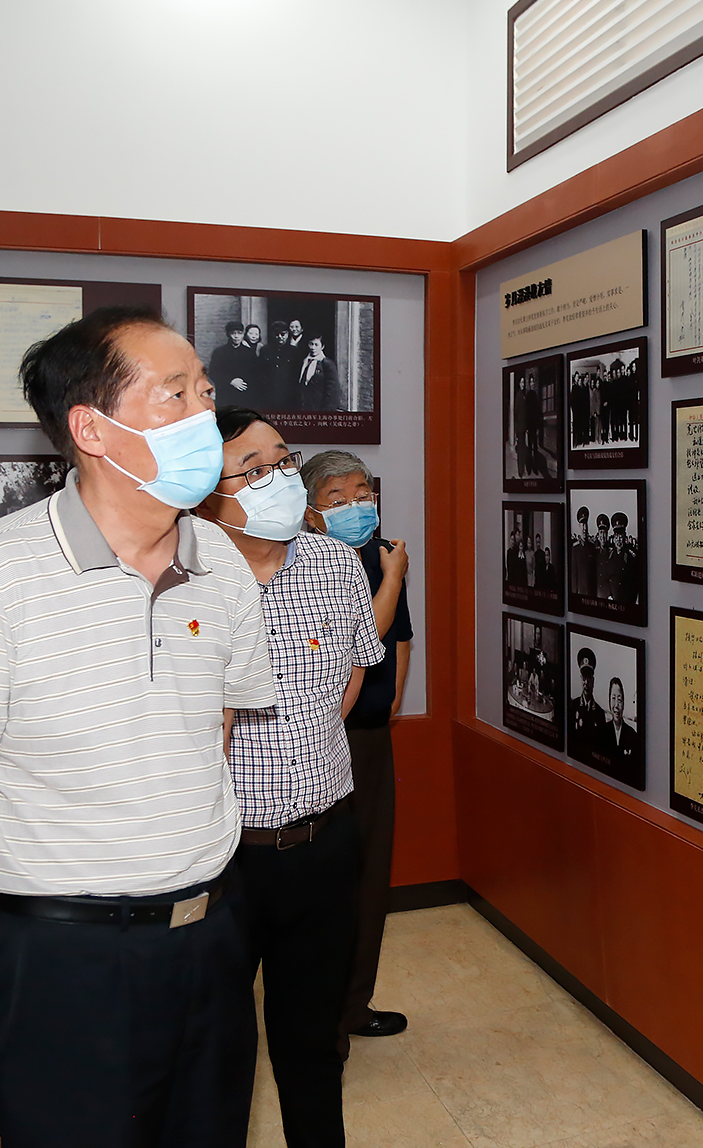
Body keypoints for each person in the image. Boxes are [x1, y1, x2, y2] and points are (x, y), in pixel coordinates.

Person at [0, 306, 279, 1147]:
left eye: (205, 392)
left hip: (211, 940)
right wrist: (25, 950)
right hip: (64, 958)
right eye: (175, 394)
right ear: (92, 429)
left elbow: (213, 734)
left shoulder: (219, 560)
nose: (204, 414)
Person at [195, 409, 383, 1147]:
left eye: (282, 460)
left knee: (312, 1043)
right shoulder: (182, 578)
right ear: (207, 490)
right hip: (219, 861)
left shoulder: (334, 565)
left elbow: (351, 676)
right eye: (253, 469)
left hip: (322, 844)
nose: (277, 479)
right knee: (213, 1050)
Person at [300, 450, 415, 1053]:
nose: (355, 506)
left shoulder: (383, 552)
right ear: (311, 512)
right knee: (321, 882)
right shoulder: (302, 563)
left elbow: (400, 641)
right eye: (337, 498)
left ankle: (352, 1005)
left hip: (368, 737)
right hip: (315, 741)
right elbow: (363, 635)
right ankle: (316, 1013)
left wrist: (389, 703)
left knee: (370, 874)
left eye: (362, 494)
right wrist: (392, 579)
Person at [568, 647, 605, 758]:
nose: (586, 683)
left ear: (593, 681)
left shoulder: (599, 713)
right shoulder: (573, 706)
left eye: (589, 678)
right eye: (584, 678)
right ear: (581, 679)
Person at [209, 320, 254, 397]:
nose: (236, 336)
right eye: (233, 333)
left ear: (243, 334)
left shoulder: (249, 352)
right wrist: (230, 381)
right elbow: (213, 372)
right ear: (228, 334)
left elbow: (254, 373)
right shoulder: (219, 352)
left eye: (239, 333)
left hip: (244, 395)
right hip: (226, 395)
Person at [298, 335, 341, 411]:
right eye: (311, 344)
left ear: (322, 347)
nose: (313, 347)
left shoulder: (327, 364)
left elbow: (332, 391)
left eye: (316, 345)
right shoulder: (305, 362)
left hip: (319, 407)